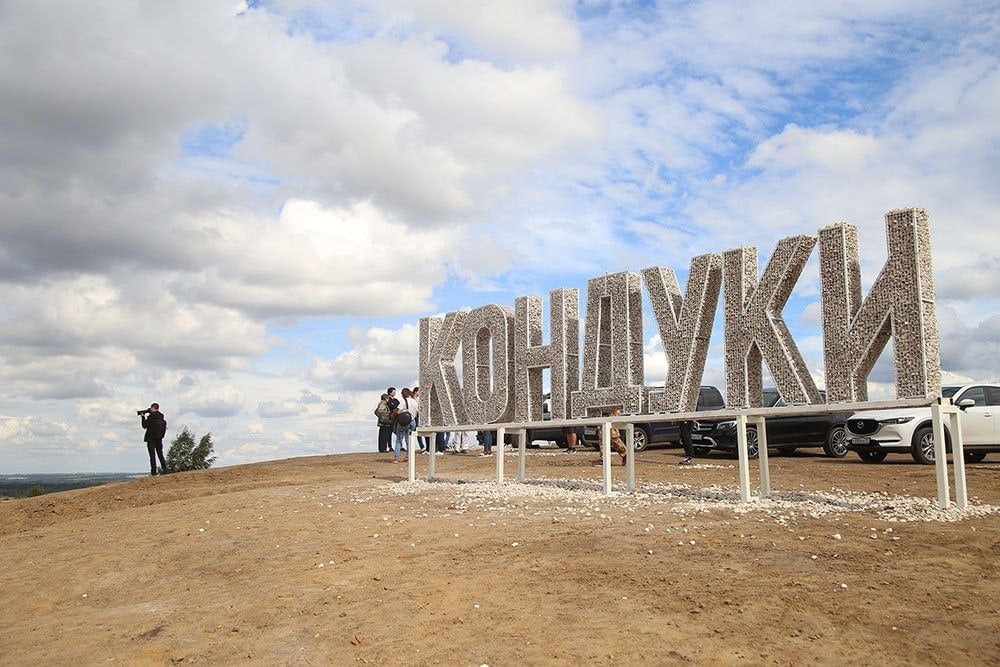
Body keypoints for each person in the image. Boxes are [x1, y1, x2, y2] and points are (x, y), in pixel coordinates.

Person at [140, 403, 168, 476]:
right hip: (159, 438)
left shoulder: (151, 417)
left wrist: (143, 417)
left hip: (151, 438)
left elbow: (144, 425)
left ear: (152, 408)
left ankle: (154, 472)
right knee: (160, 454)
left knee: (152, 456)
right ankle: (165, 469)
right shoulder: (161, 417)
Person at [392, 388, 416, 463]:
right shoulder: (414, 401)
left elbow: (398, 412)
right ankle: (408, 457)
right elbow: (417, 412)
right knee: (409, 440)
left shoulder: (403, 401)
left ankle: (396, 457)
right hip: (412, 421)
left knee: (399, 439)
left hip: (403, 422)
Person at [411, 387, 429, 453]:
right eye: (418, 391)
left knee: (419, 430)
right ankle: (422, 446)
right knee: (415, 430)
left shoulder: (418, 399)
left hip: (418, 416)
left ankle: (423, 446)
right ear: (415, 392)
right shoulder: (413, 399)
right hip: (414, 416)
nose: (419, 393)